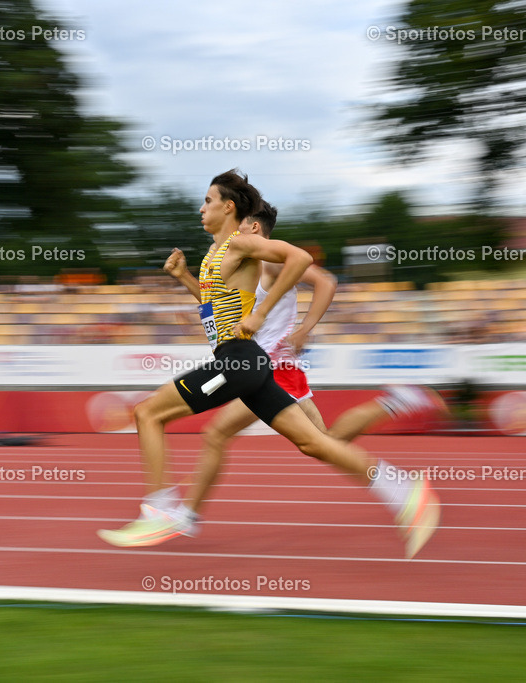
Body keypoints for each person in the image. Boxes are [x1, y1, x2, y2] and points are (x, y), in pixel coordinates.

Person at [97, 169, 440, 558]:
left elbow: (303, 259)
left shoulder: (242, 244)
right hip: (248, 362)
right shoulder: (215, 255)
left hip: (242, 362)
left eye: (208, 201)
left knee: (148, 414)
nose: (200, 208)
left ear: (230, 208)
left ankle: (163, 510)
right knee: (315, 442)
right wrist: (183, 277)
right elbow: (218, 311)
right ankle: (401, 489)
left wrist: (265, 314)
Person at [162, 201, 446, 534]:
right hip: (263, 364)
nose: (232, 232)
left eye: (239, 225)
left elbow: (325, 281)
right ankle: (396, 402)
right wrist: (184, 277)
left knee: (221, 434)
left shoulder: (267, 261)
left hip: (269, 364)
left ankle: (188, 515)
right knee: (326, 442)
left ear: (254, 228)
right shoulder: (244, 264)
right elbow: (215, 304)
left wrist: (304, 329)